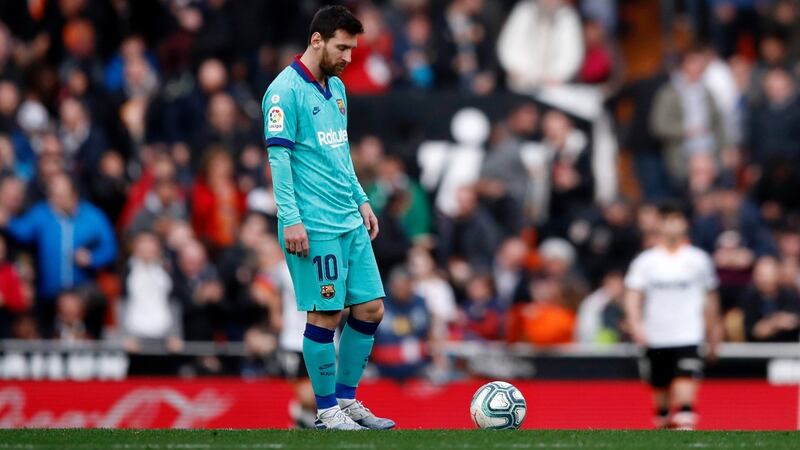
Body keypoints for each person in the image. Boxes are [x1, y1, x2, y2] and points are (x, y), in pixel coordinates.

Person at [263, 5, 394, 430]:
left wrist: (362, 200)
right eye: (343, 47)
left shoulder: (336, 87)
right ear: (316, 40)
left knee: (371, 308)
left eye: (353, 49)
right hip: (313, 225)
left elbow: (340, 153)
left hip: (348, 219)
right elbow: (279, 163)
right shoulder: (283, 92)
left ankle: (347, 400)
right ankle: (325, 411)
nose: (349, 57)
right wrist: (291, 219)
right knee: (325, 315)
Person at [624, 202, 723, 430]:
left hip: (688, 333)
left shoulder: (698, 259)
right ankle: (663, 419)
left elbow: (711, 298)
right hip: (656, 334)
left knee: (685, 382)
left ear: (685, 224)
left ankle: (687, 417)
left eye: (677, 219)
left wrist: (714, 330)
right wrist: (636, 325)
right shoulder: (646, 261)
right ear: (659, 225)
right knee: (660, 391)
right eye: (667, 220)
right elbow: (633, 296)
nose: (673, 225)